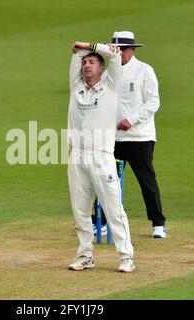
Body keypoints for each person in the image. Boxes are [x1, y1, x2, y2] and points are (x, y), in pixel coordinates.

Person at [67, 41, 135, 272]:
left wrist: (89, 45)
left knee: (113, 209)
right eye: (85, 62)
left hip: (101, 157)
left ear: (101, 68)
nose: (86, 65)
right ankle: (85, 255)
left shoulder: (111, 85)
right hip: (77, 156)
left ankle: (126, 257)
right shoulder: (75, 86)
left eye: (92, 62)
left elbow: (114, 57)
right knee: (80, 212)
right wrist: (83, 51)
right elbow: (75, 55)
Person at [110, 31, 167, 239]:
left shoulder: (144, 70)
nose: (119, 54)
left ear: (132, 50)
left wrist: (131, 120)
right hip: (113, 137)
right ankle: (105, 221)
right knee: (107, 179)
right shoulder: (109, 72)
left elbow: (153, 101)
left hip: (139, 137)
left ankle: (158, 223)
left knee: (146, 180)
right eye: (115, 50)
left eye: (123, 50)